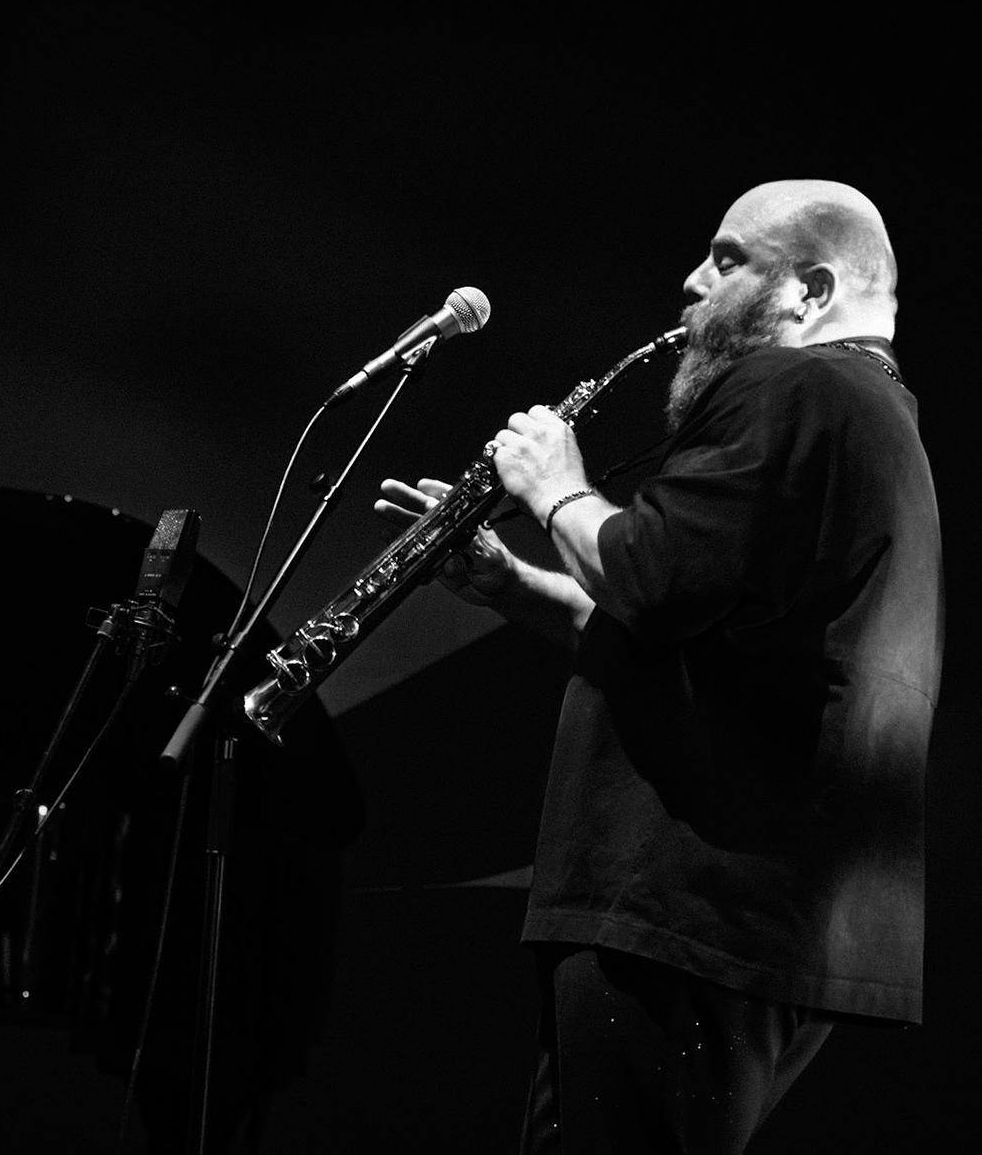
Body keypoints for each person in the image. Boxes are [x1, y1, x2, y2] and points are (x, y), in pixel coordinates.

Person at [378, 180, 942, 1153]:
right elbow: (681, 617)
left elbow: (650, 571)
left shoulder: (796, 385)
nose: (690, 280)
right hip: (759, 915)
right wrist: (509, 582)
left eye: (727, 258)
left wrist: (559, 488)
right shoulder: (873, 419)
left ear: (811, 289)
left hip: (683, 898)